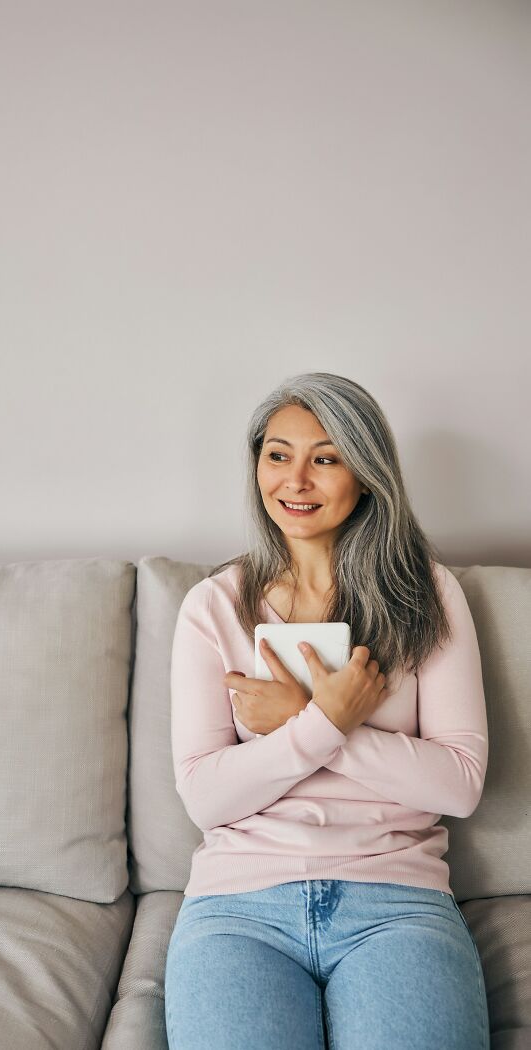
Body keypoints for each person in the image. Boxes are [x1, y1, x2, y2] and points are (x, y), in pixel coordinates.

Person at [164, 372, 490, 1050]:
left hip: (396, 899)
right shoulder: (214, 607)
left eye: (327, 456)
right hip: (238, 906)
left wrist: (318, 726)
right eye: (278, 454)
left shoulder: (430, 595)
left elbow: (458, 784)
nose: (296, 480)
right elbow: (204, 796)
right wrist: (323, 722)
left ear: (367, 473)